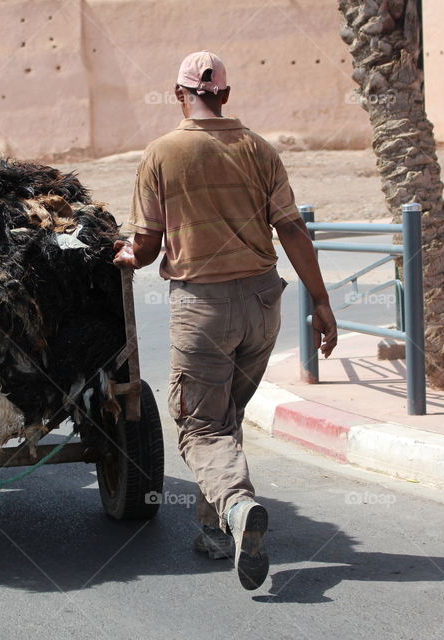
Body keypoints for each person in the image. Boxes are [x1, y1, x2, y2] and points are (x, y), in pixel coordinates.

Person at [113, 51, 337, 590]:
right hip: (264, 303)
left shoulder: (163, 152)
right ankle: (215, 533)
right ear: (226, 95)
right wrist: (323, 303)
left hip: (204, 308)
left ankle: (236, 507)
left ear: (178, 94)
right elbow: (292, 232)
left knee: (201, 423)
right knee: (225, 416)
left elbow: (145, 244)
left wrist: (125, 255)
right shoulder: (260, 149)